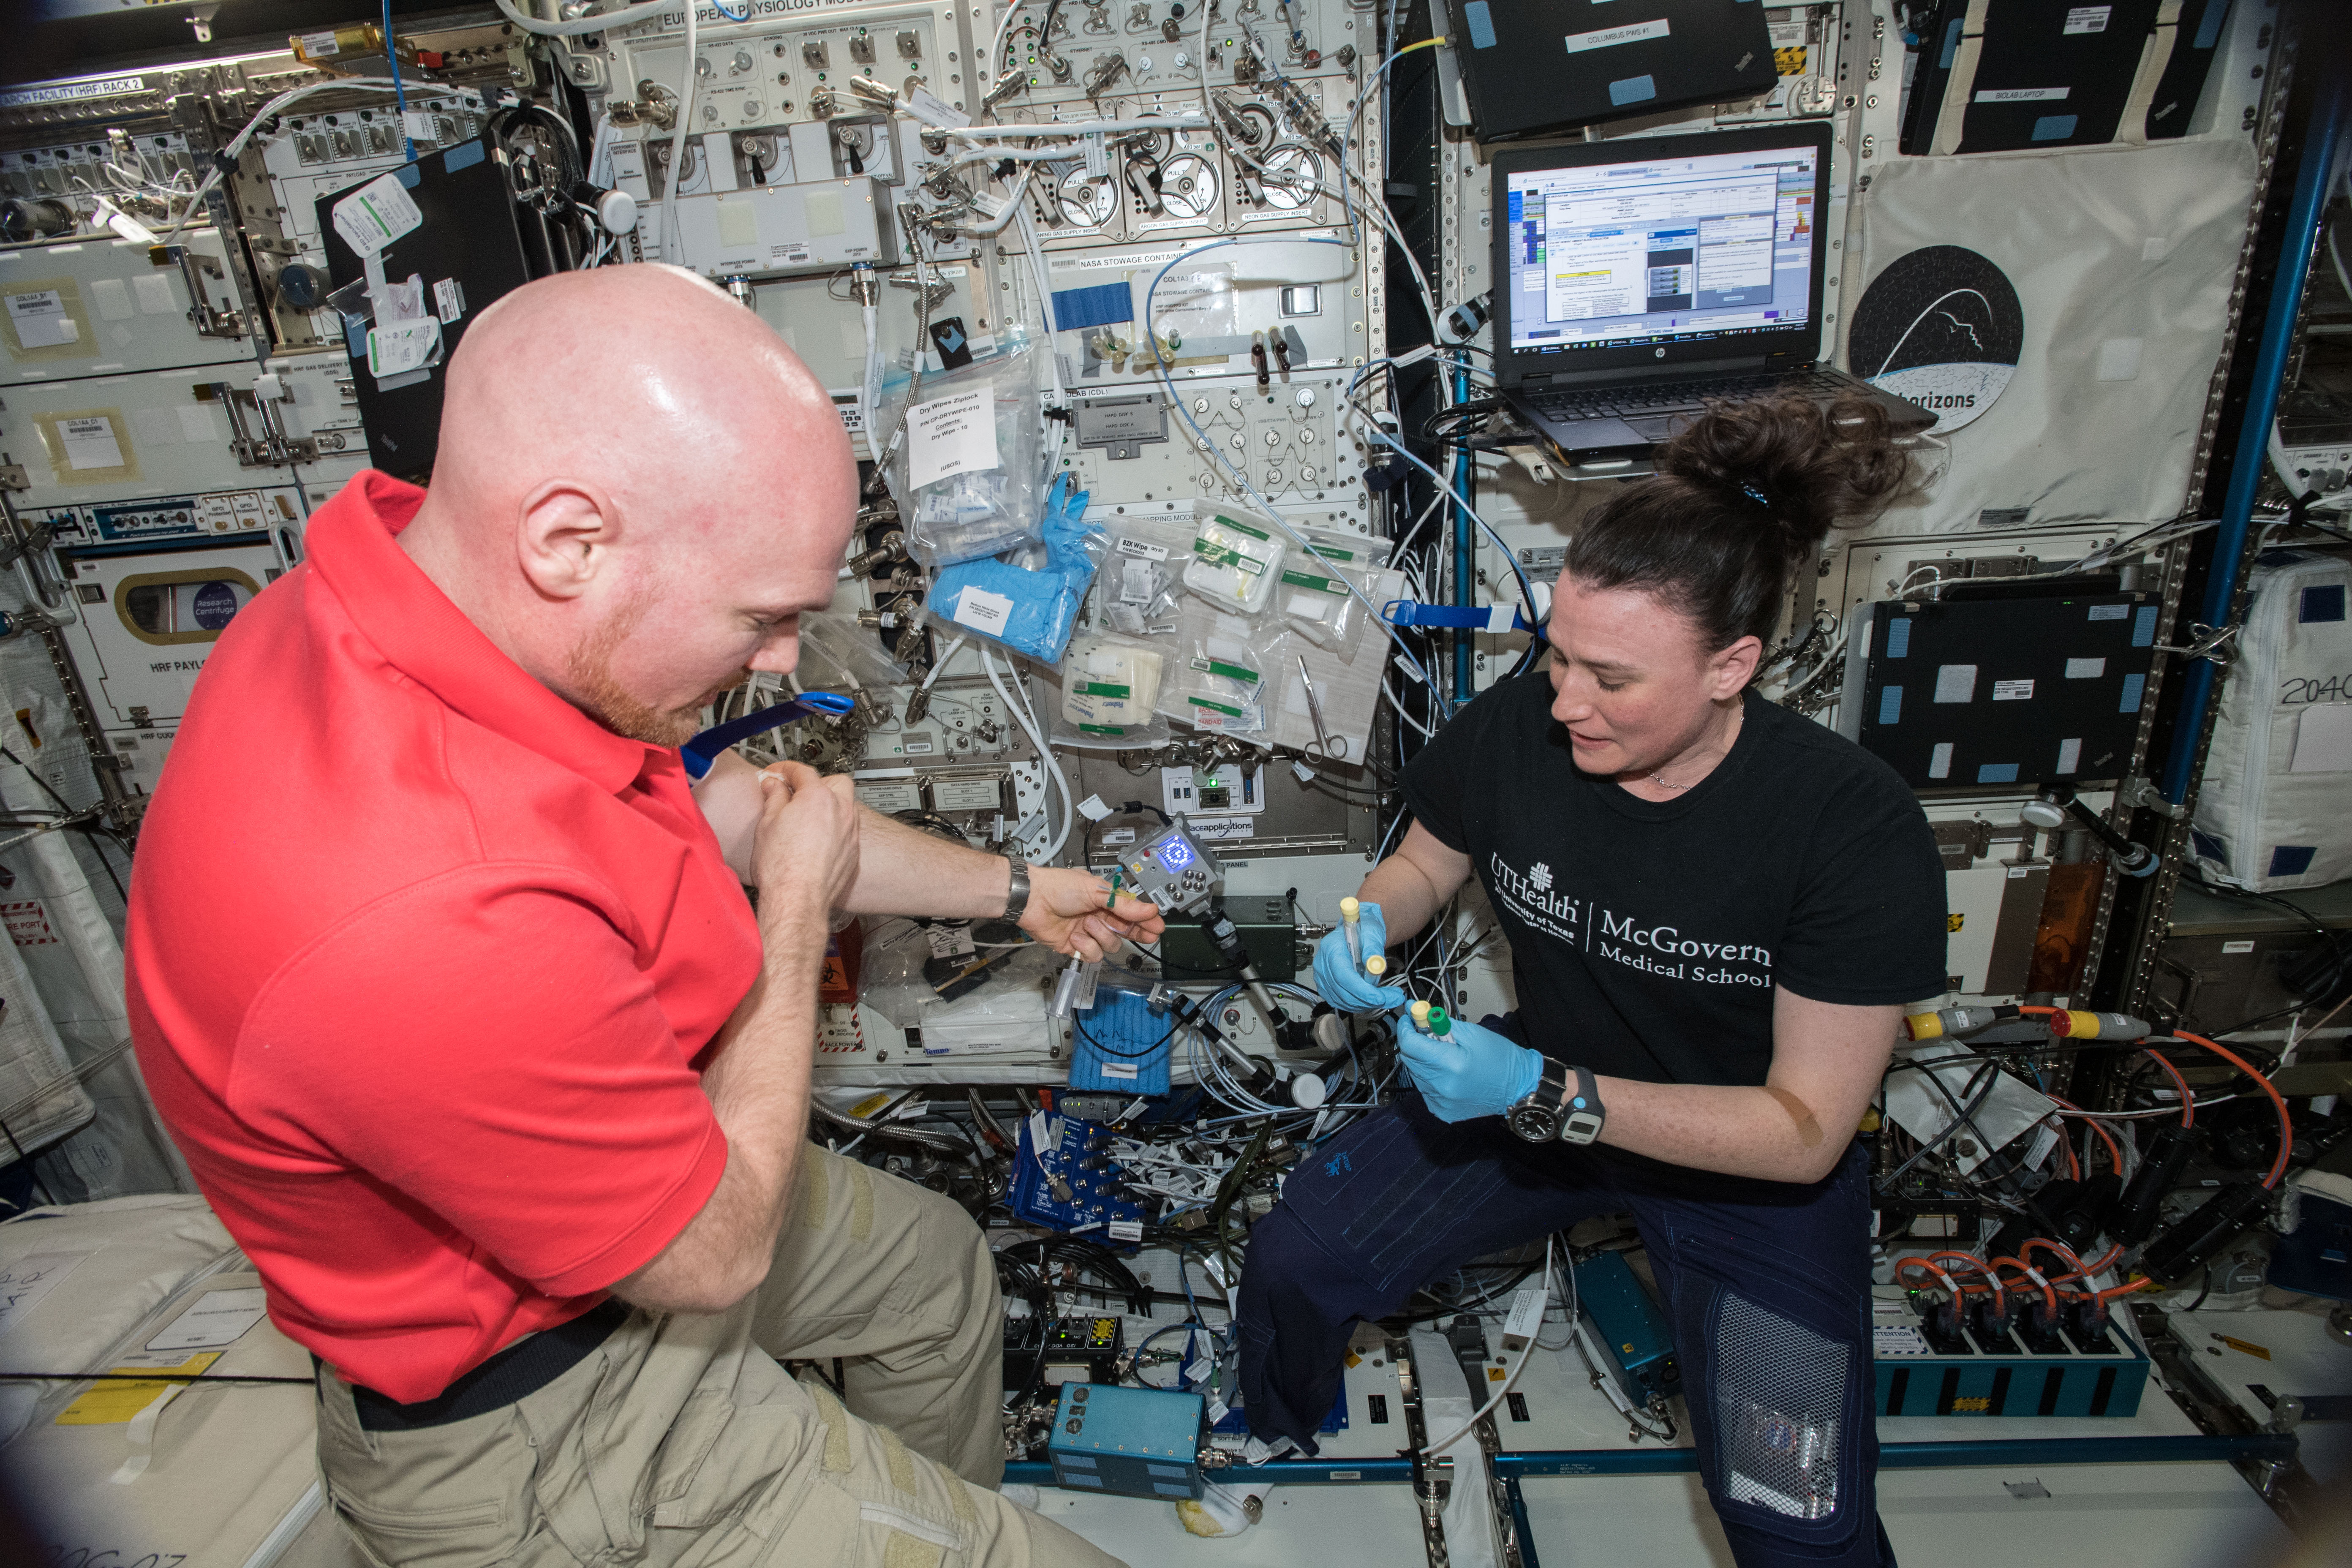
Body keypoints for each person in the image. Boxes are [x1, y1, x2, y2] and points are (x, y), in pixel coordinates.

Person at [126, 266, 1160, 1568]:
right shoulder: (411, 908)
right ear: (568, 541)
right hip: (549, 1420)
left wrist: (1018, 893)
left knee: (935, 1274)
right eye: (764, 618)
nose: (784, 659)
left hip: (624, 1221)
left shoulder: (429, 592)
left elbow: (738, 809)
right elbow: (715, 1253)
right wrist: (793, 926)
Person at [1240, 394, 1946, 1567]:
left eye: (1613, 679)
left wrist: (1543, 1089)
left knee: (1796, 1519)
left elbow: (1806, 1131)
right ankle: (1274, 1429)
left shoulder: (1849, 828)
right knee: (1300, 1258)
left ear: (1734, 666)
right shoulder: (1531, 723)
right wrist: (1369, 919)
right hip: (1534, 1101)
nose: (1567, 701)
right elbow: (1429, 855)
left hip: (1742, 1166)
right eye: (1557, 655)